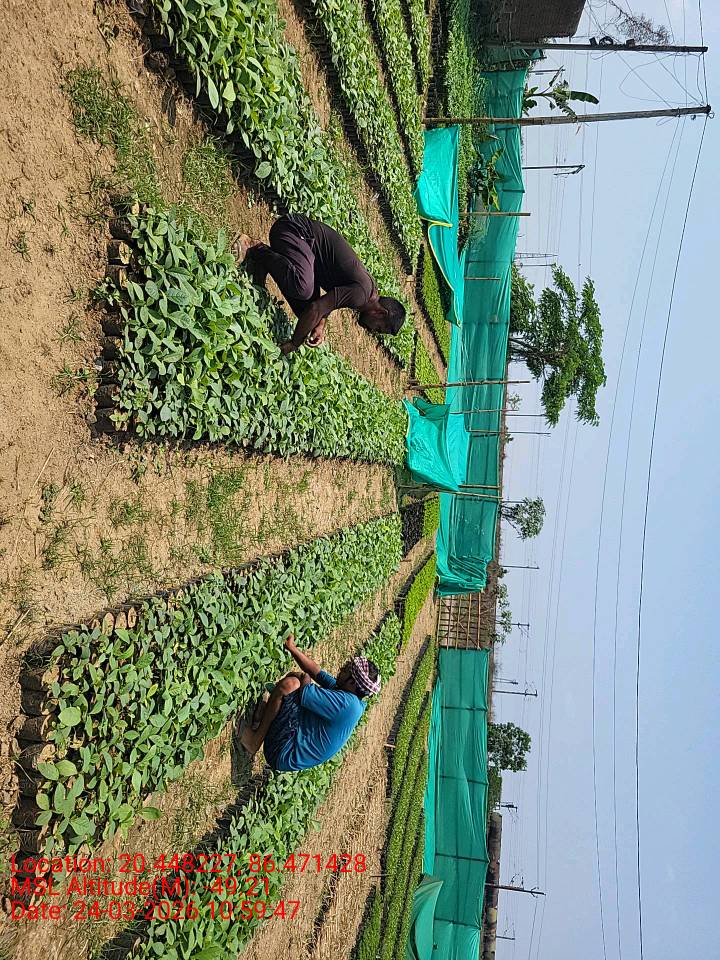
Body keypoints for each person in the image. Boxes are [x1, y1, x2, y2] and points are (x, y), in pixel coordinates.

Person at [233, 214, 406, 355]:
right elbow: (317, 307)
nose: (373, 330)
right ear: (380, 313)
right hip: (292, 230)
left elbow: (328, 302)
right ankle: (255, 248)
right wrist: (295, 343)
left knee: (308, 315)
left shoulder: (366, 294)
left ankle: (264, 262)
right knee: (303, 290)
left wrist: (321, 324)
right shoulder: (361, 295)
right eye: (379, 328)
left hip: (301, 244)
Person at [240, 634, 381, 771]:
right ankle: (261, 720)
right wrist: (292, 648)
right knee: (297, 688)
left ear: (352, 682)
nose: (342, 669)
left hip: (282, 751)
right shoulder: (350, 697)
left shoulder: (347, 704)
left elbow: (305, 691)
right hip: (287, 744)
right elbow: (317, 673)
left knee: (291, 685)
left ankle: (254, 742)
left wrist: (302, 676)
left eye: (347, 670)